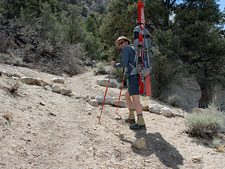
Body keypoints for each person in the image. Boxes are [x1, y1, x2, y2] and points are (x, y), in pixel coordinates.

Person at [111, 36, 146, 130]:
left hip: (133, 77)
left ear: (126, 42)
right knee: (127, 96)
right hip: (135, 76)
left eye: (122, 42)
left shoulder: (127, 49)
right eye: (119, 44)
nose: (121, 45)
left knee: (136, 100)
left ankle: (141, 123)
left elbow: (124, 63)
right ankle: (131, 117)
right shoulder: (134, 48)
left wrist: (115, 65)